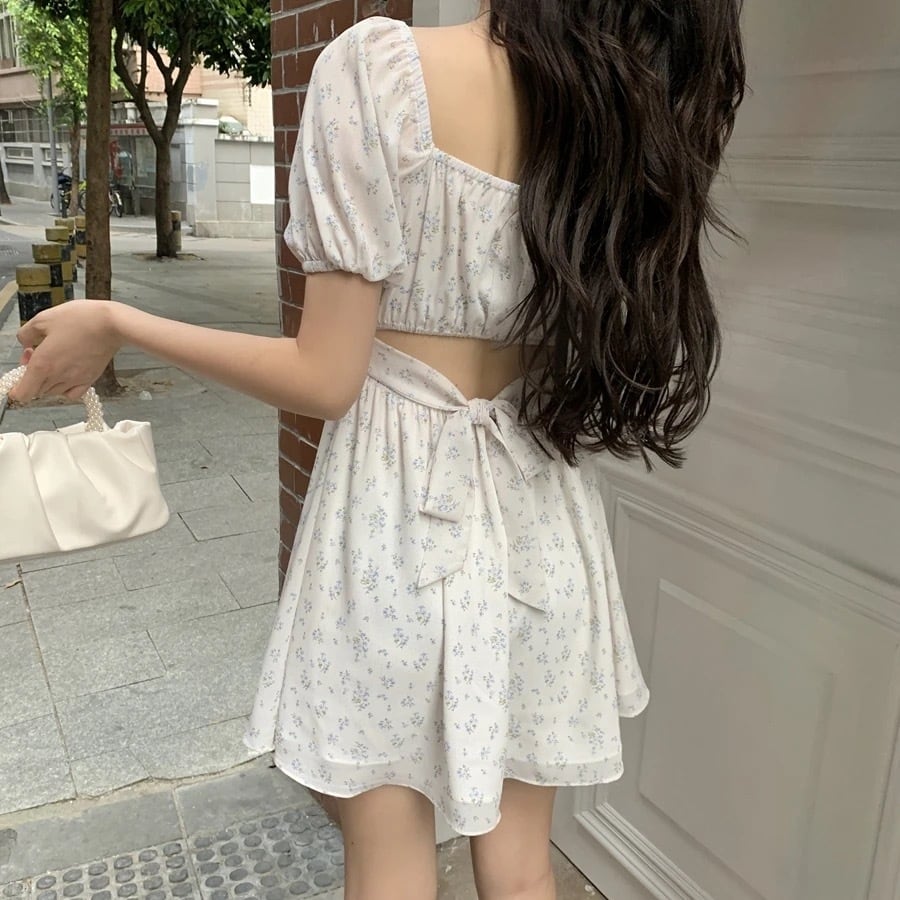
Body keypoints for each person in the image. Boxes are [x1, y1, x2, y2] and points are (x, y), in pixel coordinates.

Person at [10, 2, 745, 898]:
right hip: (538, 521)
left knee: (391, 868)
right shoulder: (622, 114)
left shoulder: (382, 72)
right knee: (521, 869)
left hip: (394, 523)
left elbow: (326, 376)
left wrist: (119, 322)